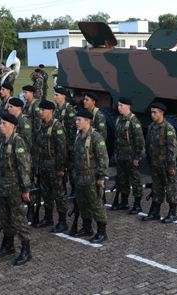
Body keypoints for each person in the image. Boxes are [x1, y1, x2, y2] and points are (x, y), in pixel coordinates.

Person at [0, 113, 33, 266]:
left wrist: (26, 189)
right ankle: (8, 244)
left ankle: (26, 249)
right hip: (4, 186)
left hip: (15, 187)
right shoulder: (4, 141)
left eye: (3, 123)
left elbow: (24, 166)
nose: (0, 126)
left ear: (11, 125)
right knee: (5, 217)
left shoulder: (18, 142)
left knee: (19, 219)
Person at [71, 110, 109, 243]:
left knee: (96, 204)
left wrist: (101, 178)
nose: (76, 122)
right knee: (82, 204)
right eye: (76, 120)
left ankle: (102, 232)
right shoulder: (78, 135)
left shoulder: (96, 137)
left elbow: (103, 159)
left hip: (91, 177)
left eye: (79, 120)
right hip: (80, 176)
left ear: (88, 121)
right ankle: (87, 228)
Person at [142, 102, 177, 223]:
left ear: (161, 113)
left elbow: (172, 149)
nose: (152, 115)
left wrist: (171, 166)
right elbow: (148, 145)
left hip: (166, 165)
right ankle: (155, 212)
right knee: (157, 189)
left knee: (170, 189)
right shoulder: (152, 126)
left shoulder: (168, 128)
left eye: (155, 112)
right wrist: (149, 160)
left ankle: (172, 213)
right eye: (151, 112)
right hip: (155, 164)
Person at [34, 100, 67, 231]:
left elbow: (61, 150)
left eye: (43, 110)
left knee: (59, 194)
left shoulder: (57, 127)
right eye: (40, 110)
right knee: (46, 193)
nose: (40, 112)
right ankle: (48, 218)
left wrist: (60, 168)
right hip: (43, 165)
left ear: (51, 111)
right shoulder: (41, 125)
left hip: (54, 166)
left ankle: (63, 221)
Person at [112, 97, 145, 213]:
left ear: (128, 107)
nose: (119, 107)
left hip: (130, 157)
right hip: (121, 155)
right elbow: (117, 139)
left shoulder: (133, 121)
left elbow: (139, 141)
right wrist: (115, 153)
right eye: (118, 105)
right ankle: (124, 202)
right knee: (122, 179)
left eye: (121, 105)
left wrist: (137, 157)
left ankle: (137, 204)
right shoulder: (118, 119)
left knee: (135, 180)